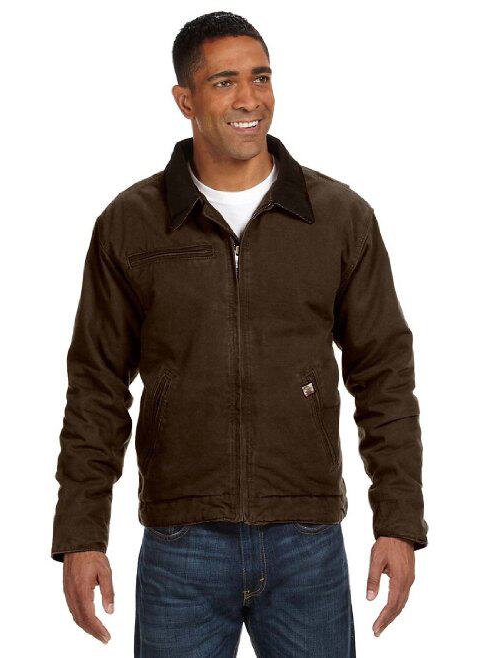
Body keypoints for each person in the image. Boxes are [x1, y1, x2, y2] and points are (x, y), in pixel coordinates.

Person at [51, 11, 428, 657]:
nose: (250, 99)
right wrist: (82, 535)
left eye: (261, 77)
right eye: (224, 82)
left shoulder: (338, 217)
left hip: (307, 539)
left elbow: (385, 374)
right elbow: (96, 386)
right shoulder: (132, 224)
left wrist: (398, 520)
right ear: (185, 100)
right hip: (181, 544)